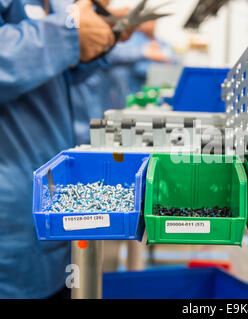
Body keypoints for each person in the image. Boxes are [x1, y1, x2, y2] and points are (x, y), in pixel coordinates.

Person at [0, 0, 132, 298]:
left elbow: (50, 78)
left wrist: (98, 39)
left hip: (47, 205)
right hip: (10, 214)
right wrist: (68, 33)